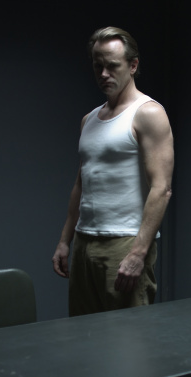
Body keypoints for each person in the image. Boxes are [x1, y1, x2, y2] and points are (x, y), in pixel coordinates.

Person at [52, 27, 174, 316]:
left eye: (112, 66)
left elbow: (161, 188)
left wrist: (138, 252)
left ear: (133, 65)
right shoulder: (89, 120)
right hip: (84, 241)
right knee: (83, 332)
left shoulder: (148, 113)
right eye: (98, 66)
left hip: (125, 242)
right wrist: (65, 241)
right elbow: (82, 184)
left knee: (126, 336)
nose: (104, 74)